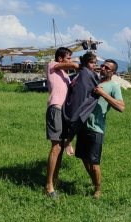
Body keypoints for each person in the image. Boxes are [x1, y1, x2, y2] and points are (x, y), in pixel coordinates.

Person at [75, 59, 125, 199]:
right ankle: (94, 182)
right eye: (102, 66)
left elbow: (121, 107)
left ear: (113, 72)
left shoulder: (113, 87)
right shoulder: (92, 80)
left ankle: (98, 190)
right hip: (82, 126)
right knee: (84, 158)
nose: (102, 68)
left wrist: (103, 94)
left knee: (94, 162)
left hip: (96, 129)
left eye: (107, 68)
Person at [45, 47, 79, 200]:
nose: (71, 61)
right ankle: (48, 186)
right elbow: (73, 66)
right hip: (55, 109)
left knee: (60, 147)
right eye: (69, 58)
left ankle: (56, 180)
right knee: (56, 147)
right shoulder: (52, 66)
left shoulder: (65, 76)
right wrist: (81, 65)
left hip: (63, 112)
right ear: (60, 59)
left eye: (72, 58)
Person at [63, 52, 100, 156]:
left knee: (79, 119)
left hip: (83, 100)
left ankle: (69, 141)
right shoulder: (84, 73)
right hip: (79, 101)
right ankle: (69, 141)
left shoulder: (89, 73)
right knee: (78, 117)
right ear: (84, 62)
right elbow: (82, 90)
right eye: (91, 62)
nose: (94, 65)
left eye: (95, 63)